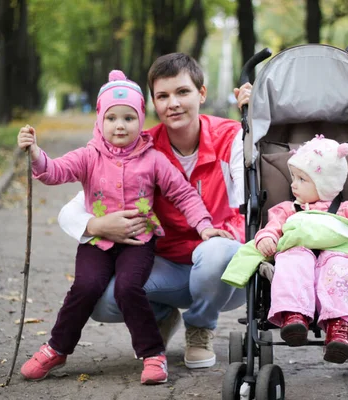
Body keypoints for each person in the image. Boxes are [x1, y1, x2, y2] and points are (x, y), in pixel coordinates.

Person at [17, 70, 232, 384]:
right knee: (85, 288)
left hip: (138, 241)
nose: (120, 125)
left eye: (129, 118)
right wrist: (36, 155)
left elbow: (183, 193)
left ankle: (152, 353)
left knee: (129, 288)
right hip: (97, 243)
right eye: (112, 117)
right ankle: (57, 348)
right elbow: (55, 172)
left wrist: (204, 227)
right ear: (100, 120)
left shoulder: (154, 159)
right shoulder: (89, 156)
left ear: (141, 120)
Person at [58, 53, 251, 369]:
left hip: (224, 270)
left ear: (201, 94)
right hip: (169, 267)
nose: (173, 103)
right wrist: (97, 225)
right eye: (163, 96)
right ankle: (161, 316)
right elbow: (72, 209)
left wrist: (257, 115)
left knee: (214, 251)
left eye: (182, 92)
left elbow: (254, 203)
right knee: (103, 299)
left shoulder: (232, 138)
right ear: (153, 103)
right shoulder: (143, 150)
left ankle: (200, 328)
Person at [221, 135, 348, 364]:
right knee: (292, 260)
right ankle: (294, 315)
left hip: (337, 257)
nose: (293, 184)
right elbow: (272, 228)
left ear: (325, 183)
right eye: (293, 177)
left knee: (340, 268)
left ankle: (339, 327)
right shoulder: (286, 209)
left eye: (302, 179)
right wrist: (266, 237)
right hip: (299, 255)